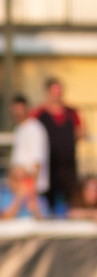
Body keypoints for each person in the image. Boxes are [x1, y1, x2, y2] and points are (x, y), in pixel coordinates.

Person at [34, 77, 85, 213]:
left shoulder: (72, 112)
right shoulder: (39, 114)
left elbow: (80, 132)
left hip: (69, 164)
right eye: (54, 92)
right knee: (48, 200)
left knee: (72, 198)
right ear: (47, 93)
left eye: (59, 91)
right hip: (49, 165)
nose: (57, 95)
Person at [10, 94, 49, 209]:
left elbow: (37, 163)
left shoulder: (35, 129)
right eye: (16, 110)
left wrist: (31, 193)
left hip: (32, 193)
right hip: (21, 191)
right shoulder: (19, 128)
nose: (18, 113)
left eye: (21, 109)